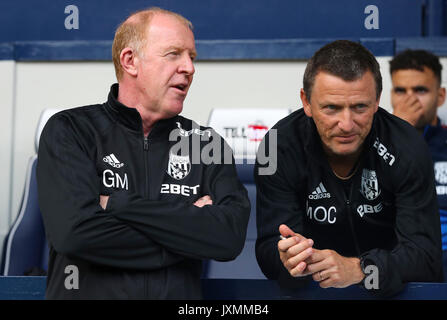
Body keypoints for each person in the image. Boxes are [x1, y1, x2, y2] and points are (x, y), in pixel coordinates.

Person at [37, 7, 250, 299]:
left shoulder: (205, 144)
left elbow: (228, 238)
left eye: (192, 57)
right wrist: (187, 233)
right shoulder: (71, 131)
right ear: (130, 61)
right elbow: (74, 235)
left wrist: (118, 205)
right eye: (174, 54)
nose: (189, 68)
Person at [255, 40, 443, 297]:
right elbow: (267, 249)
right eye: (331, 107)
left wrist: (360, 269)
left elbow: (425, 259)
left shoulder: (406, 146)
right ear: (306, 102)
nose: (346, 124)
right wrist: (289, 259)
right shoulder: (278, 145)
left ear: (377, 101)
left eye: (359, 107)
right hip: (312, 293)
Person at [390, 49, 447, 282]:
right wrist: (397, 133)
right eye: (400, 90)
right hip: (393, 258)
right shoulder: (372, 146)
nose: (410, 99)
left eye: (420, 90)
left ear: (440, 96)